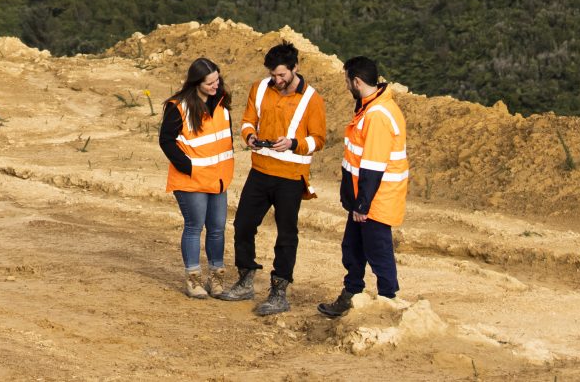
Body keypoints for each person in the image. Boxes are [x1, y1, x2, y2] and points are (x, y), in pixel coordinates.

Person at [214, 41, 326, 316]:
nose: (277, 80)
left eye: (282, 75)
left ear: (295, 68)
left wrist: (293, 143)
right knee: (243, 224)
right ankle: (246, 278)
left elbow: (319, 140)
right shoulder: (260, 88)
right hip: (260, 170)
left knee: (286, 234)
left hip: (291, 176)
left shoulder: (312, 99)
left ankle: (279, 290)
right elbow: (248, 120)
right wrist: (250, 136)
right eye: (273, 75)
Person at [318, 56, 409, 317]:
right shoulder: (370, 107)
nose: (346, 85)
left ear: (357, 81)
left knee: (378, 253)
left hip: (374, 201)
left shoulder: (378, 115)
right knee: (353, 249)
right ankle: (352, 296)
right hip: (366, 199)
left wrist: (362, 204)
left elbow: (373, 165)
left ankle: (388, 303)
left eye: (347, 80)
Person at [158, 57, 235, 296]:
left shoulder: (221, 103)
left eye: (217, 80)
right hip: (191, 180)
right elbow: (166, 141)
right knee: (194, 227)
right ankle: (193, 279)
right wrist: (189, 167)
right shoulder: (178, 106)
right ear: (196, 83)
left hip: (219, 178)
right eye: (210, 82)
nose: (215, 85)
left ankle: (216, 278)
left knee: (217, 229)